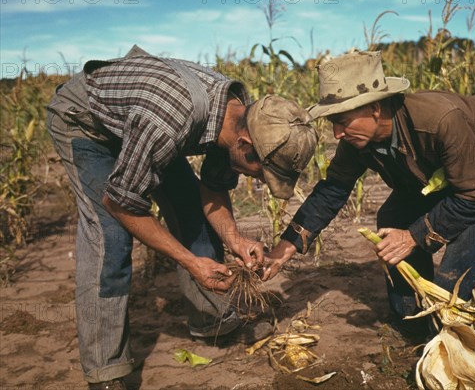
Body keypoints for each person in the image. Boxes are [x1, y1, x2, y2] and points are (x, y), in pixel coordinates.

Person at [46, 45, 317, 390]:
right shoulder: (169, 118)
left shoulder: (239, 115)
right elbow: (121, 203)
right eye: (262, 172)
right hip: (88, 125)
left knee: (190, 208)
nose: (259, 180)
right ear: (245, 143)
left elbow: (212, 189)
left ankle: (210, 319)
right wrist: (191, 261)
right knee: (109, 236)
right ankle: (106, 369)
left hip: (143, 126)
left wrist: (234, 238)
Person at [263, 51, 475, 340]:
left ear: (375, 109)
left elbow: (473, 192)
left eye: (342, 121)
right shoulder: (355, 143)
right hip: (436, 166)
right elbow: (333, 189)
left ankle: (461, 326)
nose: (337, 133)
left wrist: (414, 236)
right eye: (332, 124)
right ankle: (411, 315)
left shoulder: (440, 121)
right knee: (392, 218)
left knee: (469, 234)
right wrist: (287, 246)